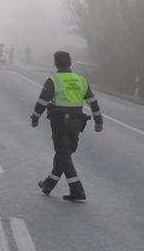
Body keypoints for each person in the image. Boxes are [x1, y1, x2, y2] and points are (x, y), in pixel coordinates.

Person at [31, 50, 103, 202]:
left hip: (60, 124)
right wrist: (98, 121)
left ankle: (77, 190)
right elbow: (93, 102)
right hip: (77, 124)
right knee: (64, 154)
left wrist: (35, 117)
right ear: (70, 63)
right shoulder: (81, 80)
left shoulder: (53, 80)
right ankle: (48, 185)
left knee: (63, 154)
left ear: (55, 63)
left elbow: (42, 101)